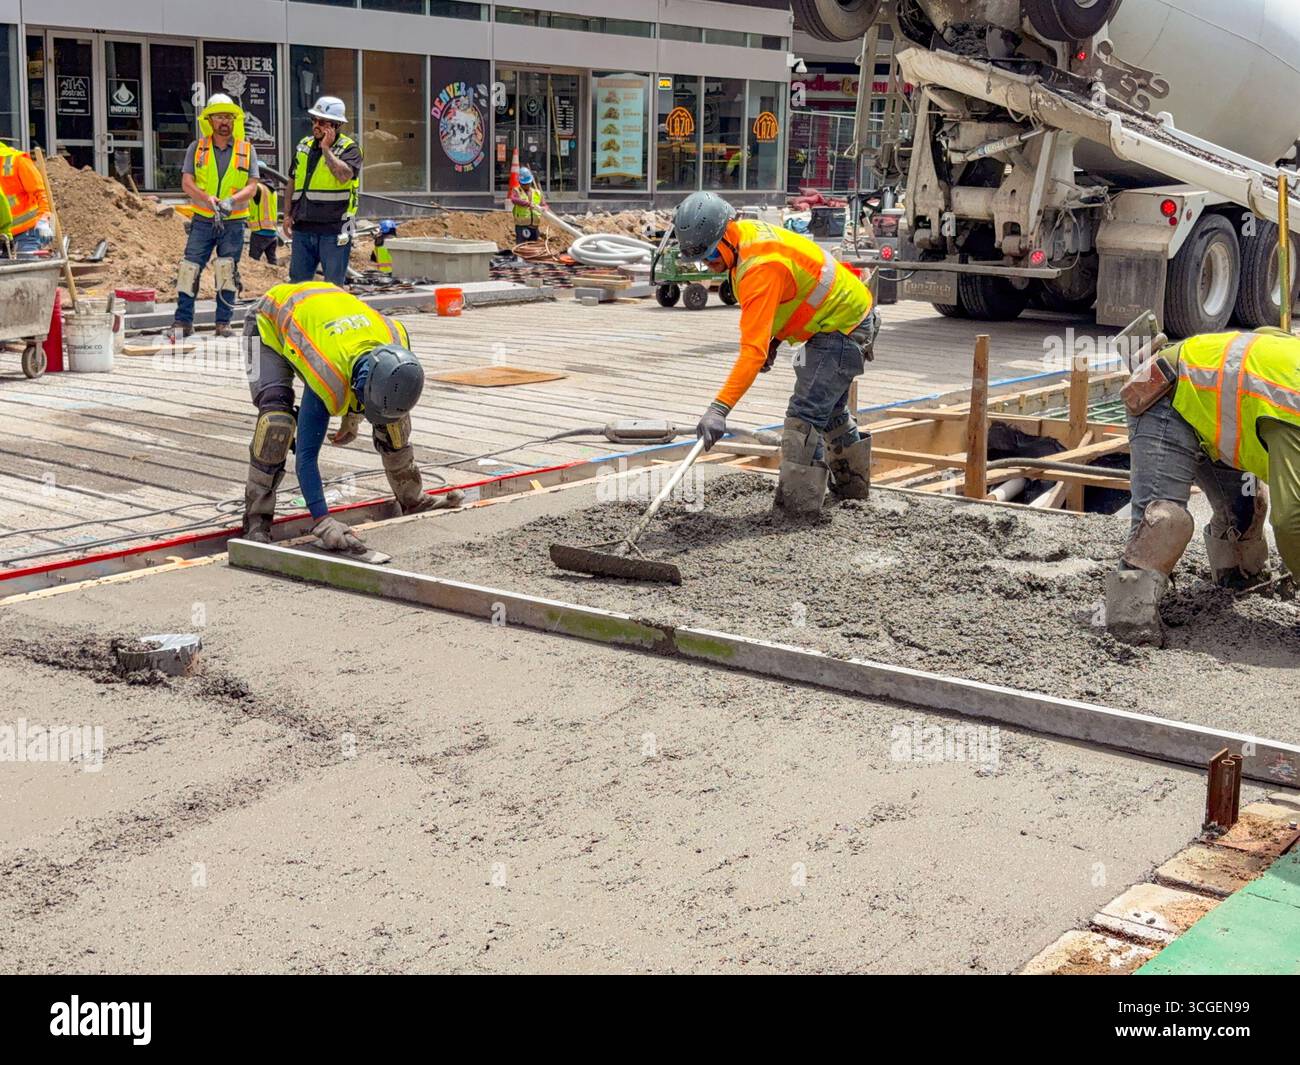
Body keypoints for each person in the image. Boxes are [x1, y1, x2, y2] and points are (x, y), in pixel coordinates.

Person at [678, 191, 879, 519]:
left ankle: (797, 512)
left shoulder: (759, 268)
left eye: (711, 252)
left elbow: (750, 354)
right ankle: (853, 493)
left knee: (804, 415)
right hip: (845, 316)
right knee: (830, 413)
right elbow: (795, 292)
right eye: (701, 258)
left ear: (726, 232)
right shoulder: (747, 237)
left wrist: (718, 410)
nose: (709, 263)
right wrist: (775, 339)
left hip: (841, 326)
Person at [1104, 326, 1300, 645]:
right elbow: (1292, 521)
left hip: (1213, 418)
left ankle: (1239, 580)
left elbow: (1268, 334)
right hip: (1166, 396)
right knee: (1162, 521)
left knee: (1246, 509)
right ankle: (1128, 621)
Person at [241, 281, 458, 552]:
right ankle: (256, 522)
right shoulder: (327, 372)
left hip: (323, 322)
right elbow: (306, 458)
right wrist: (322, 520)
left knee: (395, 424)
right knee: (277, 423)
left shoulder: (398, 341)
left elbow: (372, 383)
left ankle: (412, 498)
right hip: (266, 324)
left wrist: (352, 416)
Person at [173, 94, 259, 338]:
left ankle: (223, 323)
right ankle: (182, 321)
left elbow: (252, 185)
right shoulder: (197, 148)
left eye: (229, 117)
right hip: (202, 219)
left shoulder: (246, 149)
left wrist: (232, 201)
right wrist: (205, 198)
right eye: (220, 116)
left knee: (227, 271)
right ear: (210, 120)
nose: (225, 121)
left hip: (233, 221)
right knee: (189, 268)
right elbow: (187, 183)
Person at [284, 96, 361, 285]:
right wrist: (287, 214)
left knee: (333, 287)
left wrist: (326, 149)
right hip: (303, 228)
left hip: (333, 230)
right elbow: (292, 182)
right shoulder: (304, 145)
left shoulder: (349, 149)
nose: (315, 126)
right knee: (298, 285)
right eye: (314, 120)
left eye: (322, 122)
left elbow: (344, 175)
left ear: (335, 125)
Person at [0, 140, 54, 255]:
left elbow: (41, 192)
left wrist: (44, 218)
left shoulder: (17, 161)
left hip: (27, 231)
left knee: (26, 266)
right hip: (3, 235)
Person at [247, 181, 280, 265]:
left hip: (260, 232)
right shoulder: (272, 190)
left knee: (253, 262)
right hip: (273, 233)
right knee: (272, 262)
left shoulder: (258, 188)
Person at [509, 168, 546, 243]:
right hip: (522, 226)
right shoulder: (517, 191)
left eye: (528, 183)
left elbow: (544, 204)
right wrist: (528, 204)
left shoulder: (537, 193)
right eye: (524, 184)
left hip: (534, 226)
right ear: (519, 182)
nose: (526, 185)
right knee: (521, 247)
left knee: (533, 248)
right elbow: (514, 199)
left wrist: (544, 208)